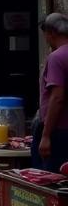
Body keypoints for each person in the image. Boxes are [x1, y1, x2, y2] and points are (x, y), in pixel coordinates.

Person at [33, 12, 68, 172]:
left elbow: (57, 97)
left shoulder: (56, 57)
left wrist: (46, 135)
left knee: (52, 181)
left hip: (58, 131)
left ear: (51, 33)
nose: (46, 39)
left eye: (45, 34)